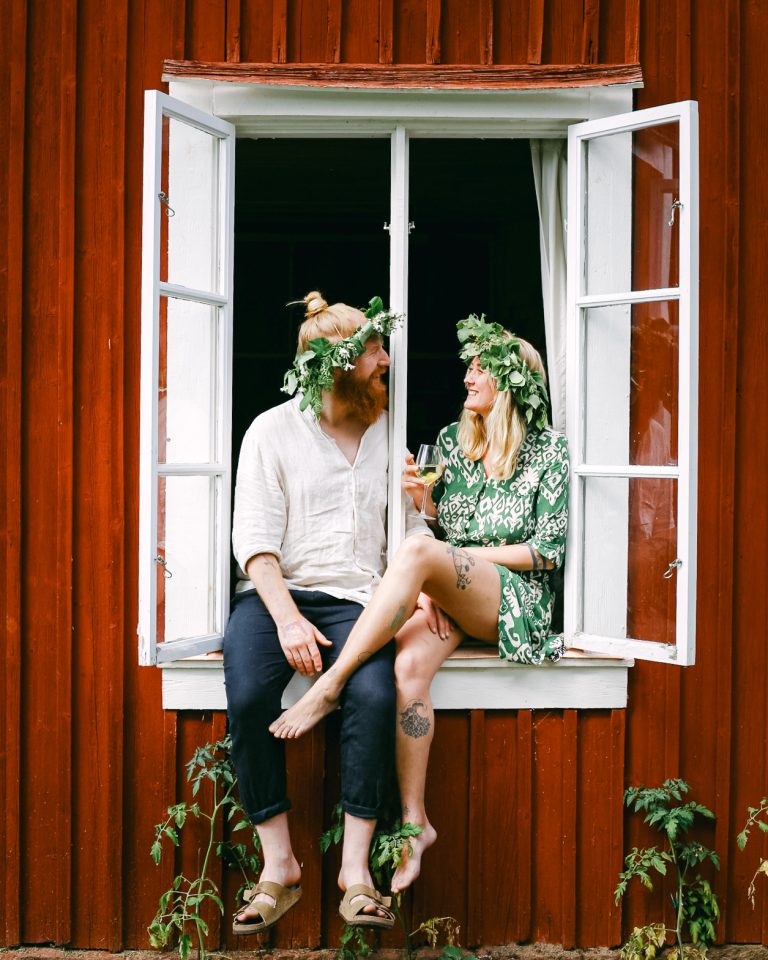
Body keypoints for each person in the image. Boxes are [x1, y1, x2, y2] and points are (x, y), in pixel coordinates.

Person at [269, 313, 570, 892]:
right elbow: (441, 532)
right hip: (460, 593)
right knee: (407, 667)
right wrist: (427, 505)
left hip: (514, 602)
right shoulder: (456, 448)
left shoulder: (548, 452)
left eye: (481, 368)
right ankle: (414, 823)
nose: (468, 376)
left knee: (415, 550)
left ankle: (332, 684)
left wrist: (447, 561)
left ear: (513, 382)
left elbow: (547, 551)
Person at [224, 292, 432, 935]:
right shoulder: (271, 430)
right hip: (278, 594)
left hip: (361, 601)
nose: (387, 361)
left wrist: (422, 522)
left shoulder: (389, 432)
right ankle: (279, 864)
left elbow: (405, 536)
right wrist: (286, 619)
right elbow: (255, 543)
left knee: (372, 693)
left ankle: (355, 875)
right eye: (375, 352)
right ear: (335, 366)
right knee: (250, 688)